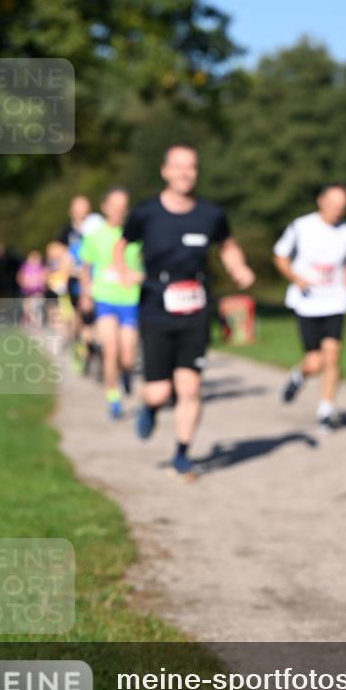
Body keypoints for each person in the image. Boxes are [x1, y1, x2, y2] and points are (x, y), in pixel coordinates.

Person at [115, 144, 255, 480]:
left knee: (190, 388)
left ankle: (182, 453)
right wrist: (123, 270)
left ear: (196, 172)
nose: (184, 173)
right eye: (177, 167)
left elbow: (228, 244)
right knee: (159, 391)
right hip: (155, 304)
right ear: (164, 171)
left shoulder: (210, 214)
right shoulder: (147, 213)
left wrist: (239, 268)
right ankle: (150, 407)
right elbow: (122, 245)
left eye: (190, 167)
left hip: (195, 305)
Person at [273, 183, 346, 431]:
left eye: (342, 207)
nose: (337, 211)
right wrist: (296, 278)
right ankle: (298, 376)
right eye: (333, 205)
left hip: (335, 300)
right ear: (321, 201)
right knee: (315, 362)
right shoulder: (301, 227)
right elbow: (280, 256)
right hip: (308, 301)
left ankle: (326, 409)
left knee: (332, 355)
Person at [79, 188, 143, 419]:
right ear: (105, 207)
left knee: (127, 354)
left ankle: (126, 372)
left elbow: (147, 265)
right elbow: (85, 268)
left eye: (122, 206)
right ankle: (113, 398)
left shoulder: (135, 235)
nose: (118, 210)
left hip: (130, 299)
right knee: (110, 349)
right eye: (114, 206)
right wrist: (86, 294)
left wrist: (139, 276)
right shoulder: (95, 235)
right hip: (104, 298)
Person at [57, 195, 99, 372]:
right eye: (79, 207)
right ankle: (79, 347)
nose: (82, 211)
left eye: (85, 207)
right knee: (76, 321)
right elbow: (56, 251)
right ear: (71, 210)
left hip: (94, 280)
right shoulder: (66, 231)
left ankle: (90, 351)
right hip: (73, 282)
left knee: (91, 319)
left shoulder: (96, 227)